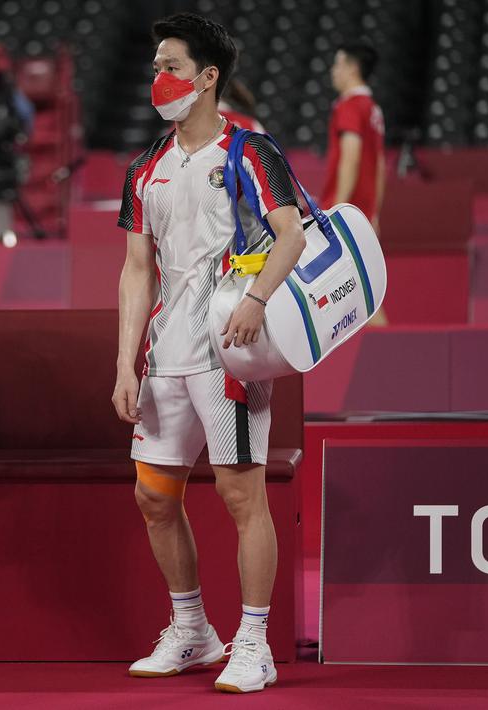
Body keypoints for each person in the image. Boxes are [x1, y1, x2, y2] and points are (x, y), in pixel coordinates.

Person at [112, 13, 307, 694]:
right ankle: (192, 629)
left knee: (239, 494)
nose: (158, 79)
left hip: (230, 355)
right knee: (153, 496)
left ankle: (254, 642)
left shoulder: (250, 152)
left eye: (170, 66)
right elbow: (136, 269)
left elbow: (291, 234)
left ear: (207, 77)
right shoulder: (145, 169)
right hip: (164, 356)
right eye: (155, 67)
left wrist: (256, 301)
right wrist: (124, 362)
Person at [321, 41, 385, 230]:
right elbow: (380, 165)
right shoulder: (372, 107)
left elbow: (350, 158)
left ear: (352, 68)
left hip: (347, 213)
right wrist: (375, 212)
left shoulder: (350, 106)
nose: (333, 71)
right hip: (364, 213)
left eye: (337, 64)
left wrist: (337, 211)